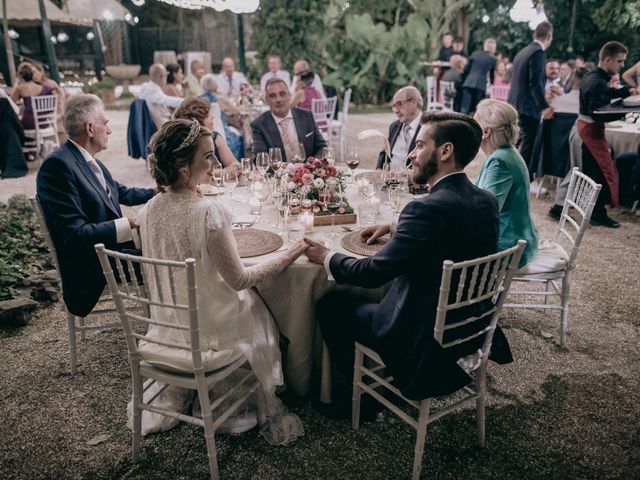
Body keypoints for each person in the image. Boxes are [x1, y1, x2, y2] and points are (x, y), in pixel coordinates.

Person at [303, 111, 512, 417]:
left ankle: (362, 401)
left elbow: (373, 274)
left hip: (422, 338)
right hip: (472, 328)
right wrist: (395, 224)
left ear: (445, 151)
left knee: (332, 304)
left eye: (419, 145)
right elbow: (449, 224)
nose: (412, 155)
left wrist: (327, 257)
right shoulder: (485, 201)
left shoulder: (424, 210)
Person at [137, 118, 307, 441]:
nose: (216, 163)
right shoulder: (208, 213)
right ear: (184, 169)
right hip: (208, 333)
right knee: (262, 312)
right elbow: (240, 280)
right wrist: (288, 256)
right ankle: (264, 394)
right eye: (208, 157)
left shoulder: (148, 210)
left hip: (167, 327)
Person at [36, 94, 155, 317]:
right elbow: (74, 233)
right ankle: (171, 324)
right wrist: (127, 224)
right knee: (167, 259)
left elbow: (120, 192)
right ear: (90, 128)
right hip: (96, 264)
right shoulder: (57, 166)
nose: (109, 130)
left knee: (166, 246)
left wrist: (159, 192)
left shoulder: (85, 159)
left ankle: (167, 319)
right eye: (106, 124)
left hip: (111, 252)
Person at [474, 99, 539, 267]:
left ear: (485, 132)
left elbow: (486, 211)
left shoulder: (499, 161)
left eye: (474, 123)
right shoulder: (507, 153)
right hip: (521, 237)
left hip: (509, 246)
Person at [578, 41, 636, 228]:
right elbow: (597, 111)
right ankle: (598, 214)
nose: (622, 65)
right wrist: (628, 110)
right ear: (608, 59)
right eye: (619, 61)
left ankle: (595, 212)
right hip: (591, 131)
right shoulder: (596, 81)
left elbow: (605, 93)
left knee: (597, 171)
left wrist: (627, 92)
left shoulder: (595, 76)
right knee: (602, 172)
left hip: (588, 129)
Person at [507, 21, 554, 179]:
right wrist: (544, 106)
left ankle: (508, 173)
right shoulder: (538, 53)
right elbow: (535, 82)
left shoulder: (522, 52)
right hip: (528, 107)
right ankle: (523, 179)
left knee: (514, 143)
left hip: (515, 103)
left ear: (535, 34)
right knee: (528, 145)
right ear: (549, 36)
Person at [251, 78, 326, 162]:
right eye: (272, 96)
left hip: (308, 172)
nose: (278, 100)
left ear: (289, 95)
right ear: (267, 100)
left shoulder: (306, 116)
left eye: (282, 94)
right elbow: (260, 159)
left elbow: (322, 147)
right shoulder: (259, 125)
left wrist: (313, 165)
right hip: (278, 173)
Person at [173, 96, 240, 169]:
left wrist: (229, 171)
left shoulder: (215, 138)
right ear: (198, 121)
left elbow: (236, 165)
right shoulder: (182, 146)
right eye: (207, 114)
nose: (212, 117)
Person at [375, 86, 423, 169]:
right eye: (394, 106)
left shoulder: (428, 127)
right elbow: (385, 152)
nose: (396, 110)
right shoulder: (394, 126)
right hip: (390, 179)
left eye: (399, 104)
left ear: (413, 102)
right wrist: (378, 171)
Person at [200, 73, 244, 159]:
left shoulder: (199, 98)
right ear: (215, 85)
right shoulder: (219, 98)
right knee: (239, 136)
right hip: (222, 131)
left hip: (203, 131)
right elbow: (236, 111)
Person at [11, 62, 57, 130]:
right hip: (43, 123)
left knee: (13, 123)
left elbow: (11, 102)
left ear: (20, 76)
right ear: (32, 74)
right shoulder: (43, 87)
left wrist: (16, 83)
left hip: (29, 123)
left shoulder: (20, 88)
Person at [138, 63, 183, 128]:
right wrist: (188, 101)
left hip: (161, 125)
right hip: (165, 128)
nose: (167, 78)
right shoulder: (153, 91)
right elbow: (168, 100)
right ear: (161, 77)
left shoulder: (145, 87)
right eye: (166, 75)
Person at [460, 38, 497, 114]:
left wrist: (464, 80)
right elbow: (491, 76)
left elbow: (466, 69)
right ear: (493, 49)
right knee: (477, 110)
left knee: (464, 109)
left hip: (468, 83)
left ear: (484, 47)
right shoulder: (493, 59)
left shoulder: (474, 54)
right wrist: (491, 85)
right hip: (480, 85)